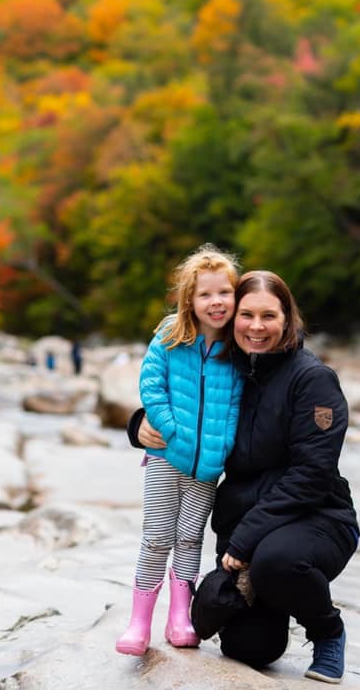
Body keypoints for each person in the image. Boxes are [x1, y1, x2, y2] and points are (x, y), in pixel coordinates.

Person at [129, 270, 359, 684]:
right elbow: (187, 404)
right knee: (249, 647)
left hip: (315, 518)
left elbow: (312, 474)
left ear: (288, 319)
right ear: (231, 317)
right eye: (246, 315)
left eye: (268, 316)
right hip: (247, 528)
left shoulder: (312, 379)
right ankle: (278, 593)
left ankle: (327, 630)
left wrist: (246, 538)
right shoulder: (231, 367)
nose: (256, 327)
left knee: (278, 563)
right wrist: (138, 425)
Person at [116, 244, 243, 656]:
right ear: (190, 298)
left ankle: (179, 617)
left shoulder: (236, 348)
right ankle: (138, 623)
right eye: (205, 294)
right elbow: (151, 384)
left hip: (207, 467)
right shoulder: (172, 334)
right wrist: (168, 429)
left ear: (235, 295)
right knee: (156, 537)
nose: (216, 302)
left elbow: (238, 405)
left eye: (224, 292)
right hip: (164, 458)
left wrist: (221, 448)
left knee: (190, 540)